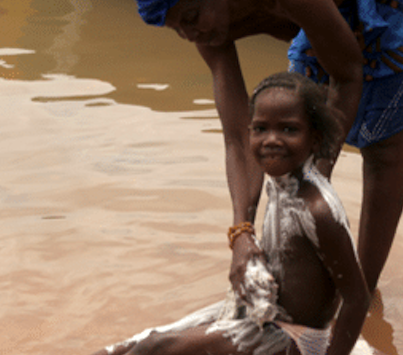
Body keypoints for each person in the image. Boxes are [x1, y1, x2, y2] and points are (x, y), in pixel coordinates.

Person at [129, 0, 403, 341]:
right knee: (289, 123)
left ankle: (363, 293)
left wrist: (315, 182)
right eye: (176, 29)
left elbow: (348, 74)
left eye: (191, 20)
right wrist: (241, 231)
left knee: (382, 141)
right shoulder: (203, 18)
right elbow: (239, 137)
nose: (190, 36)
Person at [94, 72, 370, 355]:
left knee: (155, 348)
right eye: (260, 128)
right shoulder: (283, 183)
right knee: (126, 347)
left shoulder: (317, 209)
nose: (271, 140)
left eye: (288, 129)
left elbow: (357, 299)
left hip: (296, 339)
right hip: (266, 317)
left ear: (315, 138)